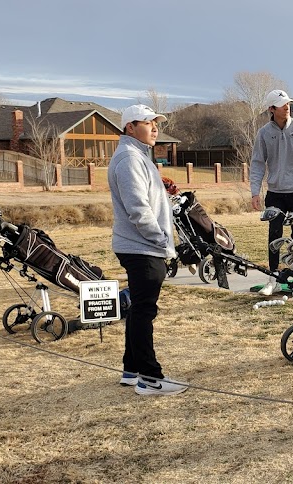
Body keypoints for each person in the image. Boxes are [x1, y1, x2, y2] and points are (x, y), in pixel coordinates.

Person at [109, 104, 188, 395]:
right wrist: (163, 242)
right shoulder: (129, 158)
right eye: (148, 123)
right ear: (130, 127)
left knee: (139, 310)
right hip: (142, 247)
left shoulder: (138, 156)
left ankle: (131, 370)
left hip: (141, 246)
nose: (155, 128)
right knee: (144, 312)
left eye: (156, 123)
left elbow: (146, 199)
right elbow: (138, 211)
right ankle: (150, 379)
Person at [249, 89, 293, 295]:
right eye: (282, 105)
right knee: (275, 236)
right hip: (275, 193)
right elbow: (257, 164)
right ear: (272, 109)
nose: (287, 107)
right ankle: (273, 279)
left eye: (288, 103)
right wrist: (255, 192)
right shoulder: (264, 133)